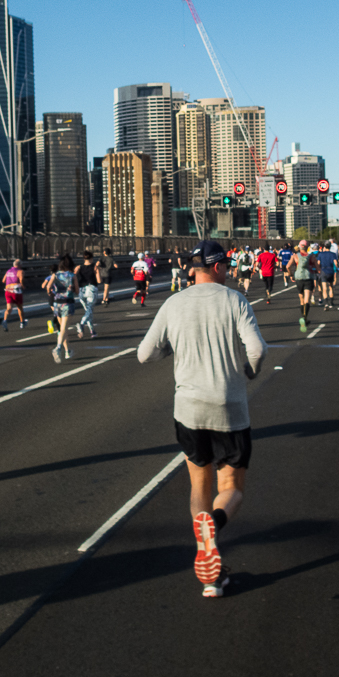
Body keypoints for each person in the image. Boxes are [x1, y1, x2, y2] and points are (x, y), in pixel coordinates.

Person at [137, 239, 267, 599]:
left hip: (188, 409)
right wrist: (248, 372)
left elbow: (144, 354)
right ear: (221, 267)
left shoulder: (174, 302)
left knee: (199, 487)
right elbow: (257, 350)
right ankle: (216, 525)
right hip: (229, 406)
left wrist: (172, 350)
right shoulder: (235, 300)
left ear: (193, 269)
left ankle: (210, 571)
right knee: (232, 489)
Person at [50, 254, 79, 362]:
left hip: (57, 303)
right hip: (68, 303)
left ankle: (67, 351)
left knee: (62, 329)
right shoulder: (72, 275)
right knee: (64, 328)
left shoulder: (56, 275)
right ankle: (58, 348)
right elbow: (77, 291)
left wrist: (54, 292)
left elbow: (48, 287)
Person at [287, 239, 317, 332]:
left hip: (299, 278)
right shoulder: (311, 256)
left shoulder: (295, 256)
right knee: (307, 299)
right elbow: (317, 268)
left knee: (301, 300)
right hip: (308, 277)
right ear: (307, 247)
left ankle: (303, 317)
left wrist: (291, 275)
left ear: (299, 247)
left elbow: (288, 266)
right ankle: (305, 317)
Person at [75, 250, 99, 338]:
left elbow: (73, 277)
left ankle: (92, 331)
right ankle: (82, 323)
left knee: (88, 311)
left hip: (82, 290)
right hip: (91, 289)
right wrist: (98, 270)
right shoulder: (94, 267)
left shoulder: (79, 267)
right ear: (92, 258)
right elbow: (99, 280)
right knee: (89, 310)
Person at [2, 259, 28, 330]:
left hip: (7, 290)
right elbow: (21, 280)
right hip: (16, 290)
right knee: (20, 307)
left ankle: (5, 320)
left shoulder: (8, 271)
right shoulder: (20, 271)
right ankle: (22, 322)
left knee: (9, 308)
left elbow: (3, 280)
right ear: (19, 265)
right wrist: (23, 285)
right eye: (21, 264)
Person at [316, 242, 338, 309]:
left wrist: (318, 270)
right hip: (330, 271)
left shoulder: (320, 254)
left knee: (324, 288)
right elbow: (335, 263)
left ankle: (326, 303)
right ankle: (331, 302)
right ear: (330, 246)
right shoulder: (333, 254)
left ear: (324, 247)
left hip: (323, 271)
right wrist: (336, 268)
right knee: (331, 287)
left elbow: (318, 263)